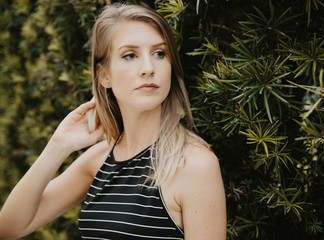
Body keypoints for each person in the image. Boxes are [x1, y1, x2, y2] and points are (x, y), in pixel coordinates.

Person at [0, 3, 226, 240]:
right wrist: (58, 145)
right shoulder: (98, 161)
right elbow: (9, 228)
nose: (148, 68)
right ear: (104, 75)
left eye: (160, 53)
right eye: (130, 55)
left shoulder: (195, 165)